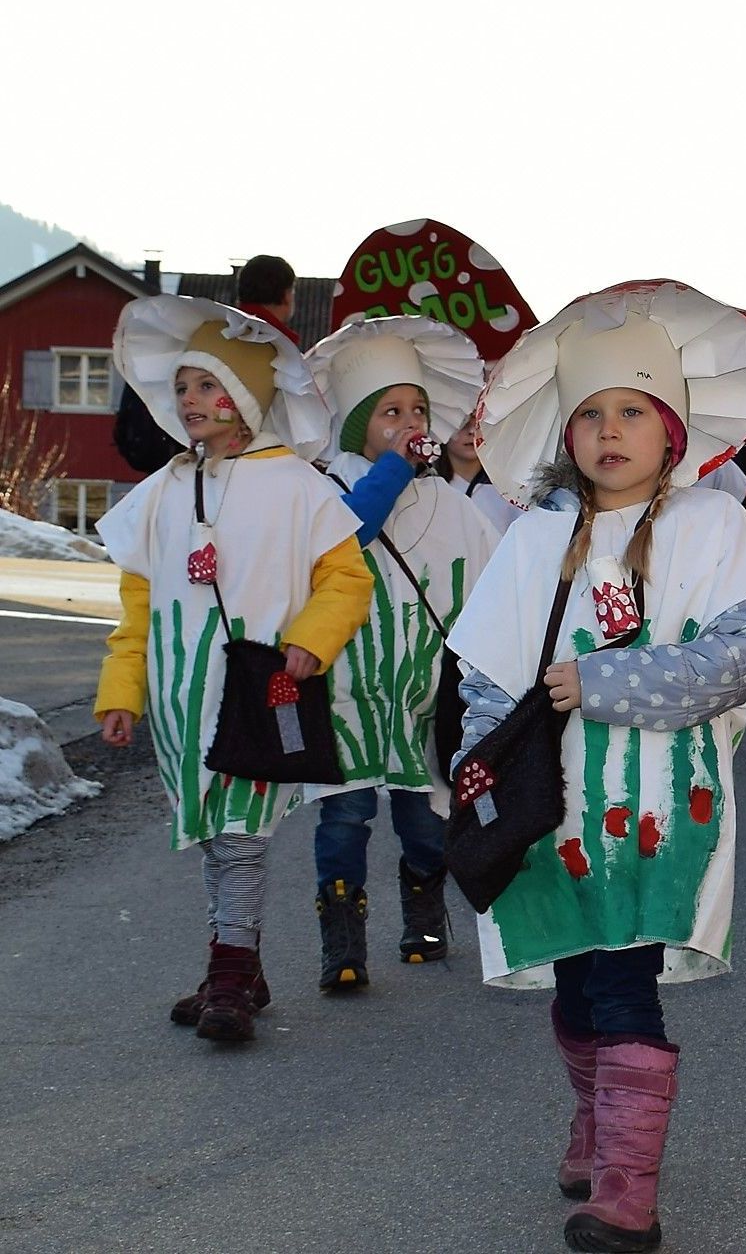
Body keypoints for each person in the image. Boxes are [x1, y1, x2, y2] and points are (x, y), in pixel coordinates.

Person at [446, 280, 746, 1253]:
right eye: (589, 412)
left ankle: (629, 1190)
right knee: (575, 983)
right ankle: (596, 1121)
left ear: (671, 430)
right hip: (550, 807)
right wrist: (477, 777)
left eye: (631, 409)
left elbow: (729, 661)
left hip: (658, 810)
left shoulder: (715, 531)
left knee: (624, 979)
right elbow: (485, 674)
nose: (608, 429)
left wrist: (600, 679)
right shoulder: (536, 538)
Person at [91, 296, 373, 1043]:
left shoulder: (296, 486)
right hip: (184, 702)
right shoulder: (163, 492)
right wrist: (122, 690)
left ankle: (227, 977)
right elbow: (138, 603)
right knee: (217, 835)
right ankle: (239, 968)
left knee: (243, 833)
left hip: (258, 690)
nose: (190, 402)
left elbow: (347, 578)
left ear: (246, 397)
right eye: (181, 388)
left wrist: (311, 640)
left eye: (207, 386)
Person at [302, 316, 500, 988]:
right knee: (346, 814)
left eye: (418, 408)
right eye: (390, 411)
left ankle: (423, 903)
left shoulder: (449, 505)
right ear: (359, 427)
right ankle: (342, 935)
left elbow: (494, 584)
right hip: (345, 694)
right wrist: (389, 471)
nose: (409, 420)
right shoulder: (324, 497)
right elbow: (347, 536)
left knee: (423, 815)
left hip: (424, 697)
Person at [438, 410, 525, 539]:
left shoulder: (511, 489)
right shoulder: (433, 490)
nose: (472, 431)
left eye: (478, 421)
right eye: (462, 422)